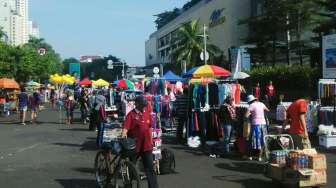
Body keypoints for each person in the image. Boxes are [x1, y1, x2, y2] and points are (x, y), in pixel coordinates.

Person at [122, 95, 158, 188]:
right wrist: (123, 139)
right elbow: (125, 129)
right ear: (136, 104)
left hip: (146, 145)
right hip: (134, 146)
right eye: (142, 105)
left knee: (150, 168)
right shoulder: (131, 115)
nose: (144, 107)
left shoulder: (146, 112)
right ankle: (129, 185)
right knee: (132, 167)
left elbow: (149, 127)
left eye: (145, 105)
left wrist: (152, 141)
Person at [245, 95, 269, 161]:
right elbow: (267, 110)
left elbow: (246, 115)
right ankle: (259, 157)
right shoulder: (261, 104)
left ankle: (250, 156)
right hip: (263, 124)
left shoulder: (251, 105)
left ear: (250, 101)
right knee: (262, 141)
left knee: (253, 140)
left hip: (255, 124)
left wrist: (250, 115)